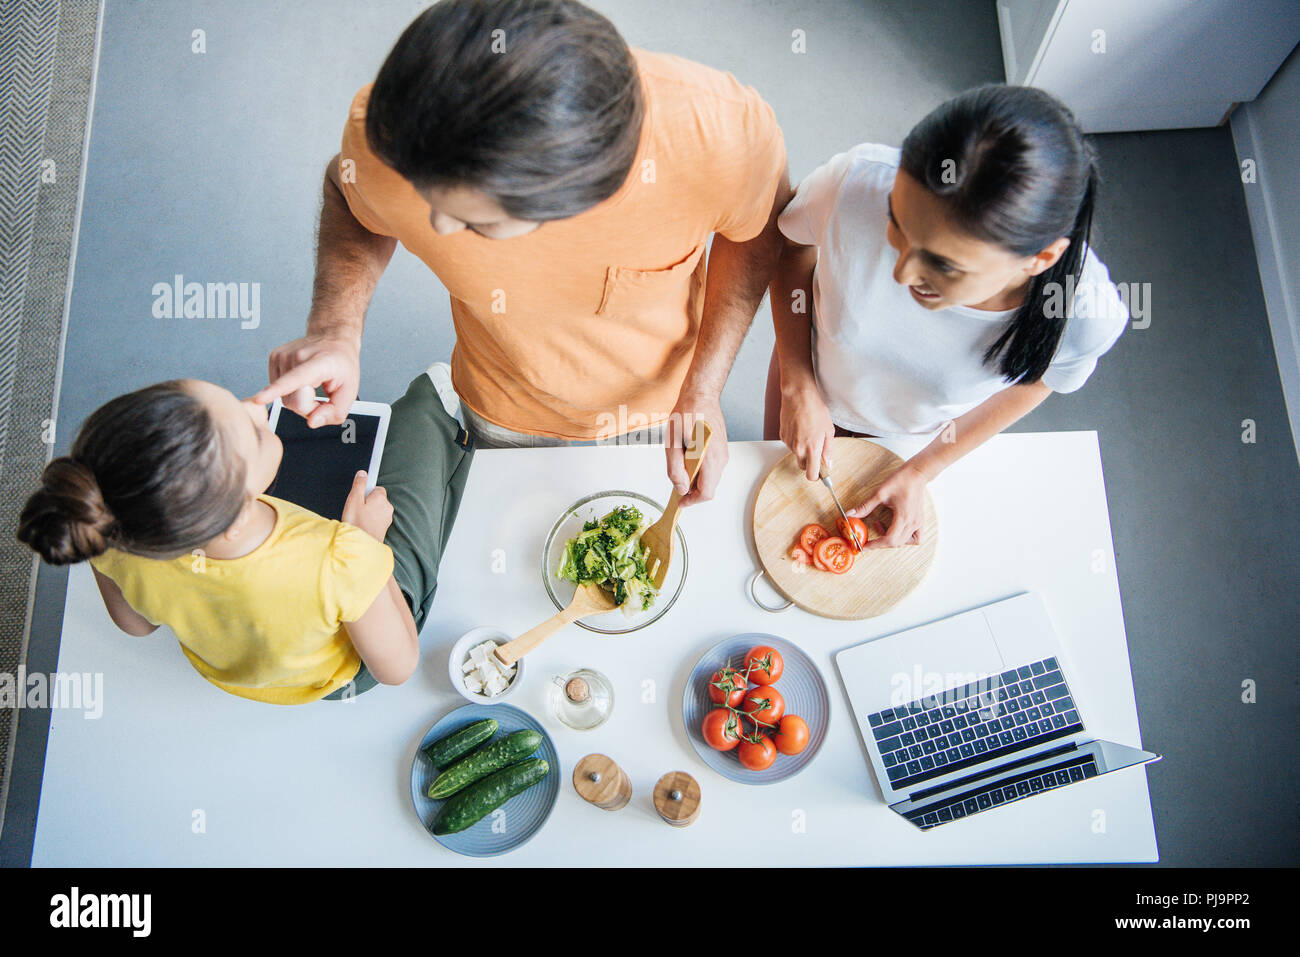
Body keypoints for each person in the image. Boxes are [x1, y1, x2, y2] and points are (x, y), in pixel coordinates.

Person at [256, 0, 791, 506]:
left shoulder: (721, 135)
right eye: (426, 197)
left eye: (475, 221)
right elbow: (352, 197)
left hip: (663, 405)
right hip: (498, 404)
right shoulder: (394, 133)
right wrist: (335, 329)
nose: (438, 227)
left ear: (582, 195)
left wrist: (703, 391)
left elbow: (760, 231)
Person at [767, 84, 1128, 547]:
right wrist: (798, 385)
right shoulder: (856, 184)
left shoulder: (1085, 315)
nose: (901, 273)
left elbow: (1041, 380)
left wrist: (923, 468)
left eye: (943, 264)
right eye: (897, 223)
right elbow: (792, 243)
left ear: (1038, 259)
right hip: (804, 388)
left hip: (911, 439)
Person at [15, 369, 473, 704]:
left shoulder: (114, 531)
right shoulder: (341, 558)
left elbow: (136, 625)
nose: (259, 406)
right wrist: (368, 547)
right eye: (254, 431)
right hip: (335, 677)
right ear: (234, 516)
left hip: (236, 673)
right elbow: (397, 668)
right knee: (421, 417)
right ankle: (434, 407)